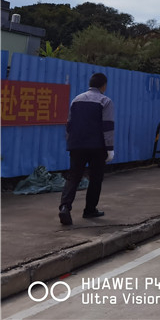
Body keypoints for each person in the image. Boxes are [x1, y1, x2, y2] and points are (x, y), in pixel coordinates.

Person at [58, 72, 115, 226]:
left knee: (73, 177)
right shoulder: (105, 101)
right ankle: (90, 209)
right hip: (97, 146)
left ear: (90, 84)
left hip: (77, 145)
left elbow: (69, 124)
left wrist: (70, 142)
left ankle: (65, 207)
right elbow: (107, 126)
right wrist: (109, 148)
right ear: (103, 85)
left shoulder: (76, 100)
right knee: (96, 178)